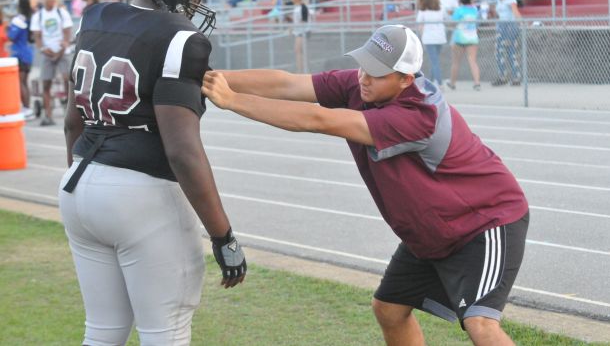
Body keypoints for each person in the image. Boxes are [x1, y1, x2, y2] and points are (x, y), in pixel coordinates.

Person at [202, 24, 529, 346]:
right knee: (389, 309)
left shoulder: (419, 115)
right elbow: (287, 83)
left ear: (406, 79)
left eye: (377, 72)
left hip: (483, 223)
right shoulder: (360, 86)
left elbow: (318, 120)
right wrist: (203, 77)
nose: (364, 77)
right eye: (364, 65)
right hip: (434, 230)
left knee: (480, 325)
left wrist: (232, 100)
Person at [59, 0, 247, 344]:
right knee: (166, 331)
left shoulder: (94, 18)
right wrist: (223, 235)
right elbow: (182, 152)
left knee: (103, 331)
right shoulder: (179, 38)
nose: (198, 2)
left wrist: (86, 181)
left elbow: (72, 122)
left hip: (78, 185)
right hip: (140, 196)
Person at [30, 0, 73, 126]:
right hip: (47, 53)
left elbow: (67, 33)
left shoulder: (62, 13)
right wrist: (45, 50)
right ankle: (48, 115)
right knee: (46, 84)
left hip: (62, 52)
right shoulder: (38, 16)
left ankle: (69, 111)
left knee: (68, 80)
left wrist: (61, 49)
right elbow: (37, 37)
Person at [7, 0, 35, 120]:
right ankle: (27, 108)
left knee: (21, 82)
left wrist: (8, 28)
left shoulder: (19, 19)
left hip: (20, 54)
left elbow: (12, 36)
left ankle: (26, 108)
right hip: (28, 53)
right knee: (24, 82)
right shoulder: (31, 16)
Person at [447, 0, 481, 90]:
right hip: (472, 38)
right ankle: (477, 83)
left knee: (456, 62)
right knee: (473, 61)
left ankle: (452, 83)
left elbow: (453, 23)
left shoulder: (459, 10)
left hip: (459, 38)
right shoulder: (475, 10)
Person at [491, 0, 521, 86]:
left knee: (511, 52)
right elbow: (499, 14)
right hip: (501, 26)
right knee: (499, 52)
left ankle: (516, 77)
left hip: (510, 26)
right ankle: (503, 75)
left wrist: (521, 22)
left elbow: (515, 11)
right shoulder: (499, 0)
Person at [416, 0, 447, 87]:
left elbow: (419, 24)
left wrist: (421, 35)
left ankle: (439, 83)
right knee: (435, 61)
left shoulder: (423, 10)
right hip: (440, 37)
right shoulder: (442, 8)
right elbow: (446, 18)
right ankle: (430, 82)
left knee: (434, 61)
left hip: (429, 38)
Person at [291, 0, 310, 73]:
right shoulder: (297, 7)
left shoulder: (303, 7)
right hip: (298, 32)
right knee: (298, 51)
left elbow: (304, 21)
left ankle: (301, 71)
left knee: (299, 51)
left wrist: (296, 26)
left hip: (302, 32)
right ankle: (301, 70)